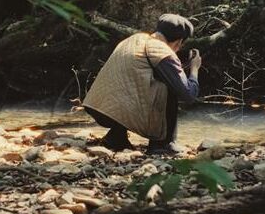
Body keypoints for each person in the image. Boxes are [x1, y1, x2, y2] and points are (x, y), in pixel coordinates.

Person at [83, 13, 202, 155]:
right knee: (168, 89)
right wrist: (194, 69)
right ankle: (163, 144)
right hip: (117, 112)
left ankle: (116, 136)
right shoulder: (163, 51)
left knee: (129, 86)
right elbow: (188, 94)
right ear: (179, 42)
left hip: (96, 108)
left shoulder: (133, 39)